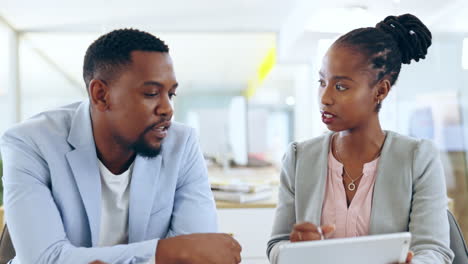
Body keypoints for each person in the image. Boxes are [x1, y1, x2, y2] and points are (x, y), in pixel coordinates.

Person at [0, 29, 241, 264]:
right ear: (101, 95)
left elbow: (198, 255)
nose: (167, 108)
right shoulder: (31, 142)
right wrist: (163, 252)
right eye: (151, 93)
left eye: (171, 94)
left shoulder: (181, 144)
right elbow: (44, 259)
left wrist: (179, 252)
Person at [267, 14, 454, 264]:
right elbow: (276, 245)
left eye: (341, 86)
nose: (325, 97)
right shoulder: (299, 158)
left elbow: (435, 251)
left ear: (380, 90)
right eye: (322, 82)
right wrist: (295, 250)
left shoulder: (417, 158)